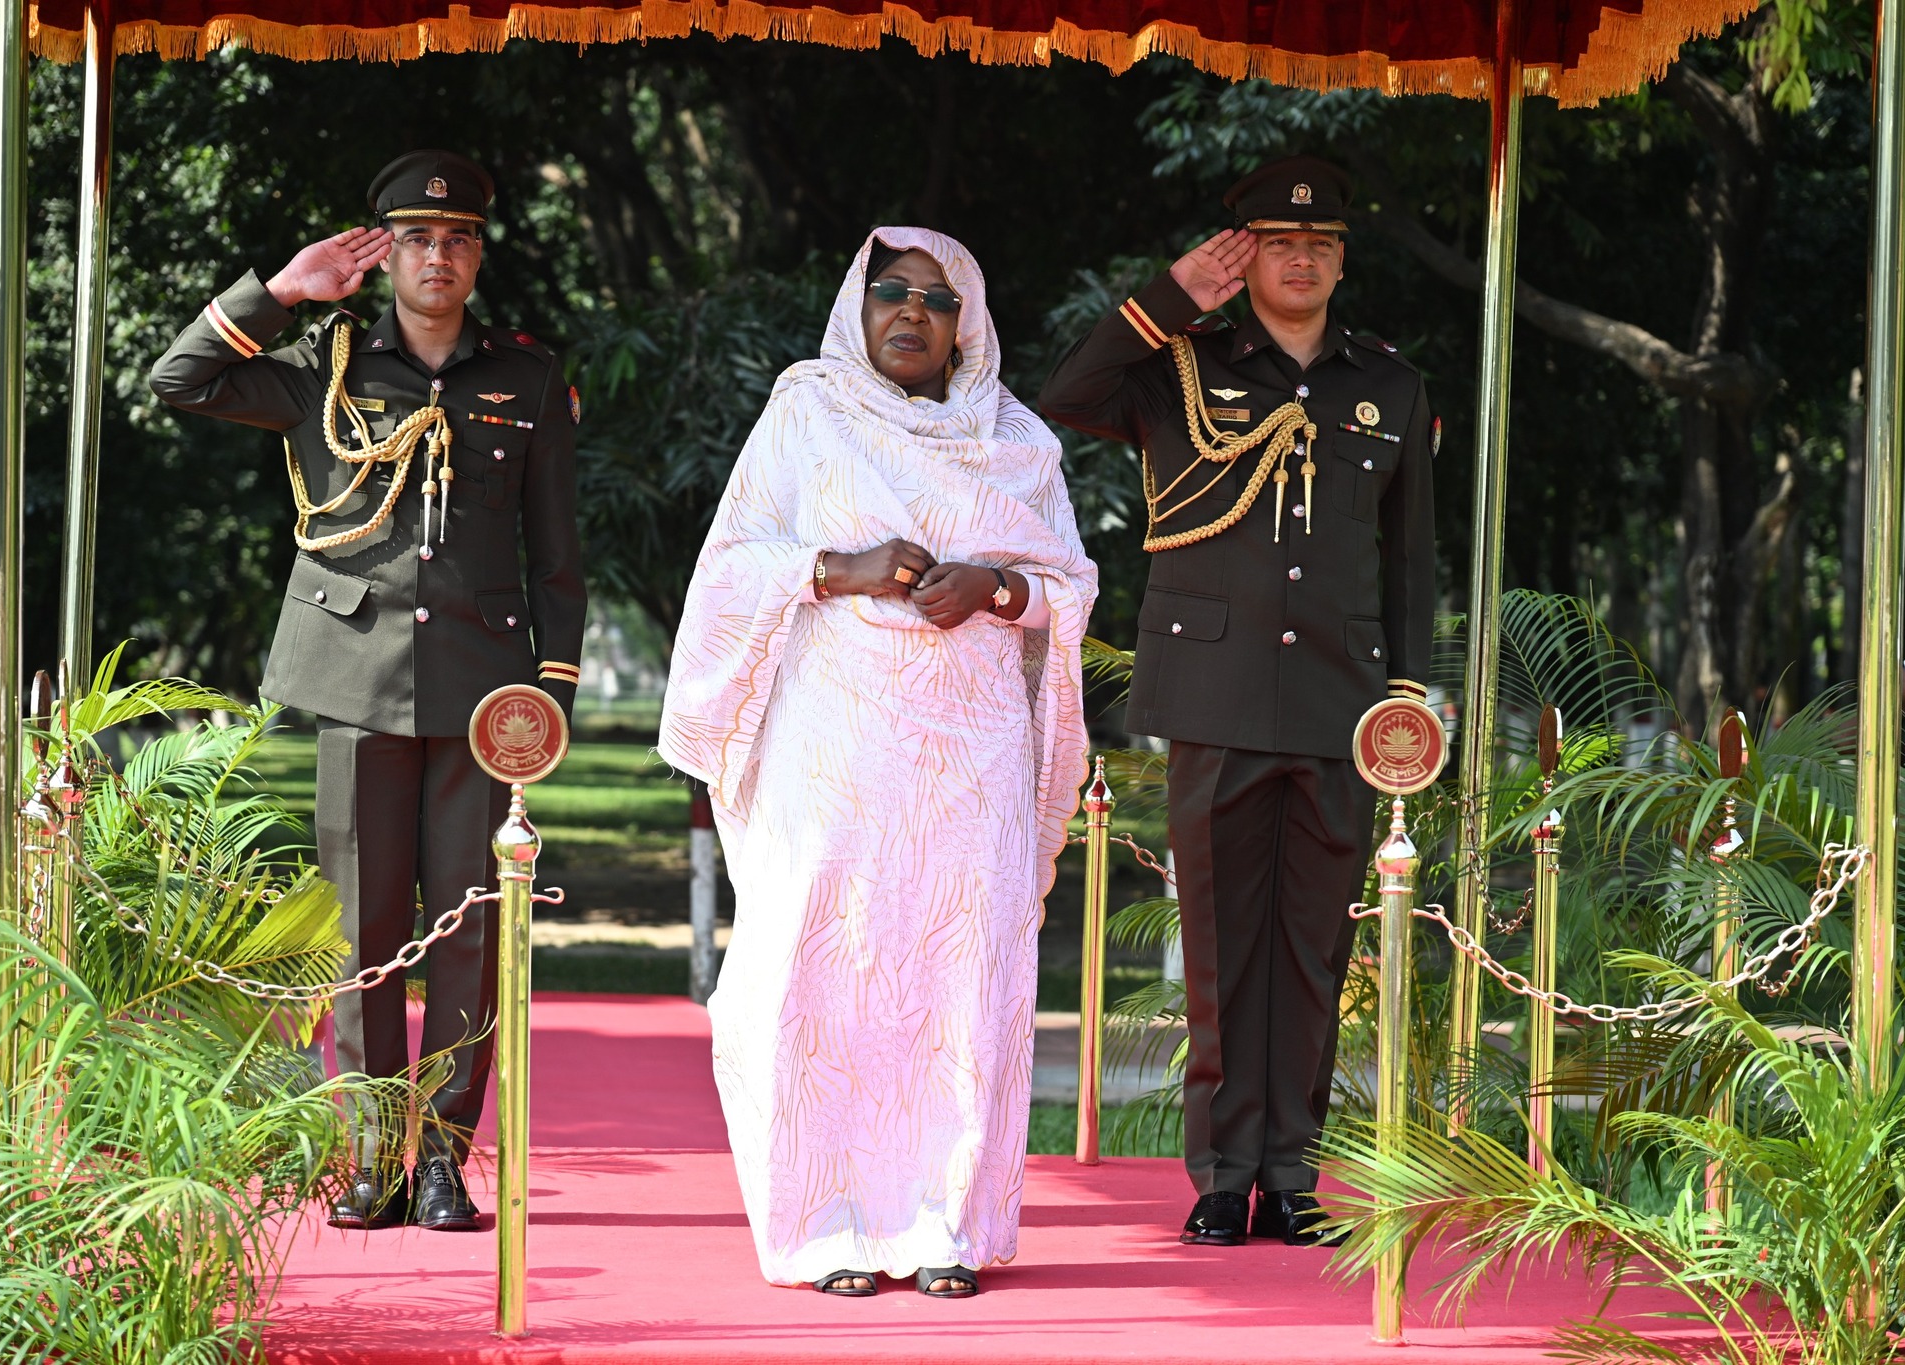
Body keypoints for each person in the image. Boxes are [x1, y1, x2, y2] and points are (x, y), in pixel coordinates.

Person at [149, 150, 586, 1233]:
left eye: (459, 239)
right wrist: (281, 292)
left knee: (467, 936)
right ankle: (368, 1157)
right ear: (384, 251)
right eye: (417, 238)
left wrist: (551, 693)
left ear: (480, 256)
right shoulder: (317, 363)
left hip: (482, 694)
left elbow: (558, 557)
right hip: (353, 683)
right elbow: (179, 380)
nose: (439, 256)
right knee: (362, 935)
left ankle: (440, 1158)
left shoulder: (527, 382)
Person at [659, 227, 1098, 1297]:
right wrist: (832, 567)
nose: (911, 313)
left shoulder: (1019, 442)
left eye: (936, 300)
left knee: (964, 969)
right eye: (889, 293)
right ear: (858, 309)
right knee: (822, 969)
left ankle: (947, 1224)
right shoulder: (804, 413)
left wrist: (997, 589)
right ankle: (825, 1225)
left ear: (968, 323)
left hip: (972, 750)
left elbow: (1070, 586)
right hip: (834, 745)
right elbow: (729, 569)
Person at [1039, 157, 1436, 1248]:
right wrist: (1166, 300)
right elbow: (1063, 394)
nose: (1298, 257)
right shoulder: (1178, 366)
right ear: (1243, 255)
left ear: (1341, 260)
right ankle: (1221, 1175)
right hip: (1211, 695)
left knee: (1312, 952)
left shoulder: (1388, 387)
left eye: (1318, 244)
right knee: (1218, 950)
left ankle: (1291, 1172)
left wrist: (1404, 696)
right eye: (1275, 241)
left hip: (1341, 703)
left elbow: (1408, 559)